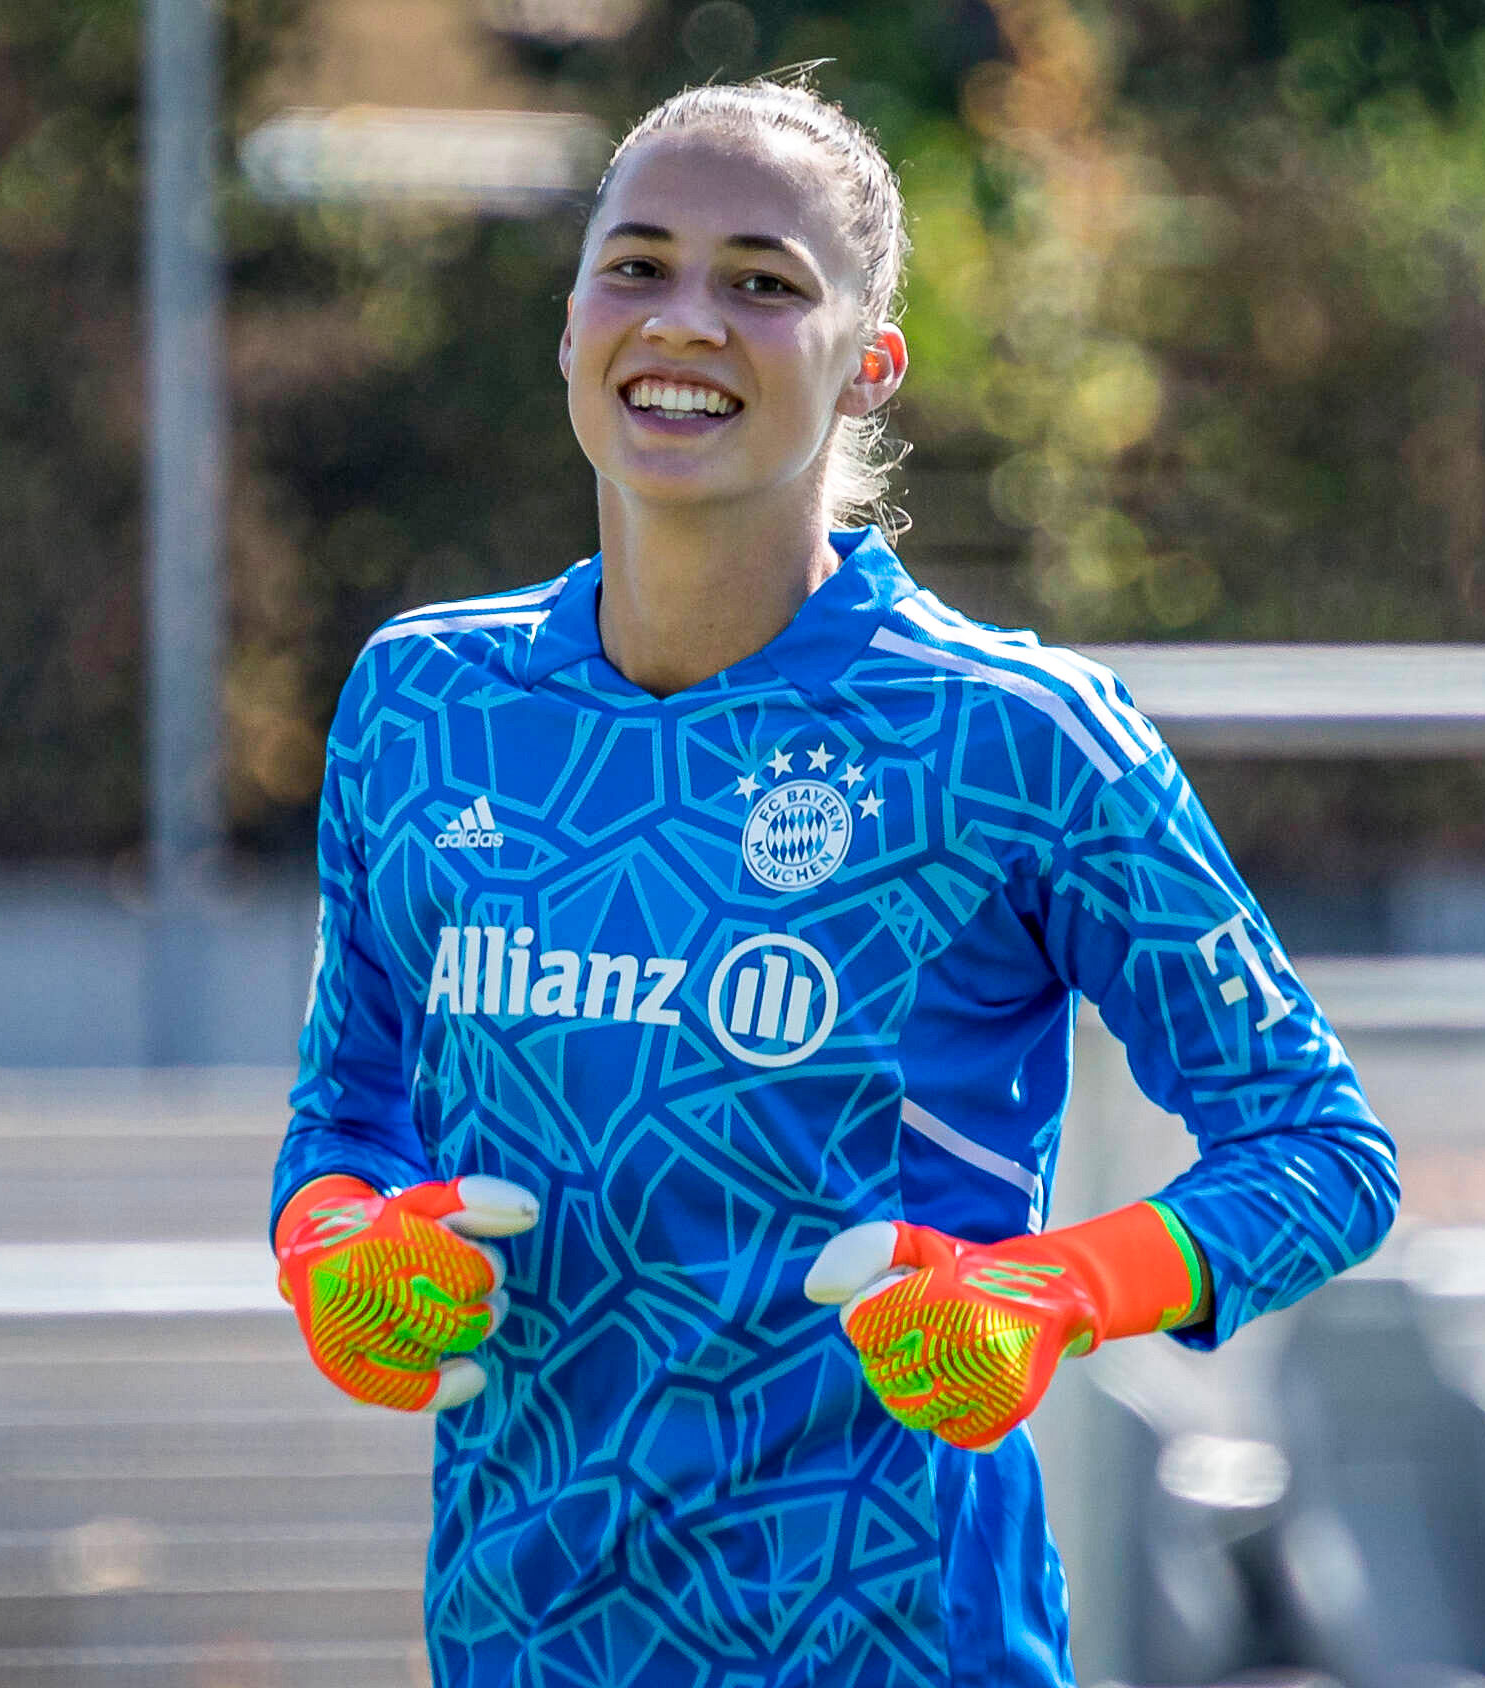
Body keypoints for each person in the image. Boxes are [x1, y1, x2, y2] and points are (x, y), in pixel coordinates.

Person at [269, 73, 1399, 1688]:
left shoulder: (1014, 737)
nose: (686, 320)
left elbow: (1320, 1151)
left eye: (764, 283)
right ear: (573, 317)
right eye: (637, 263)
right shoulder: (422, 705)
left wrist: (1060, 1289)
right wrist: (338, 1249)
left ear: (870, 360)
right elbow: (346, 1115)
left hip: (898, 1641)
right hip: (518, 1641)